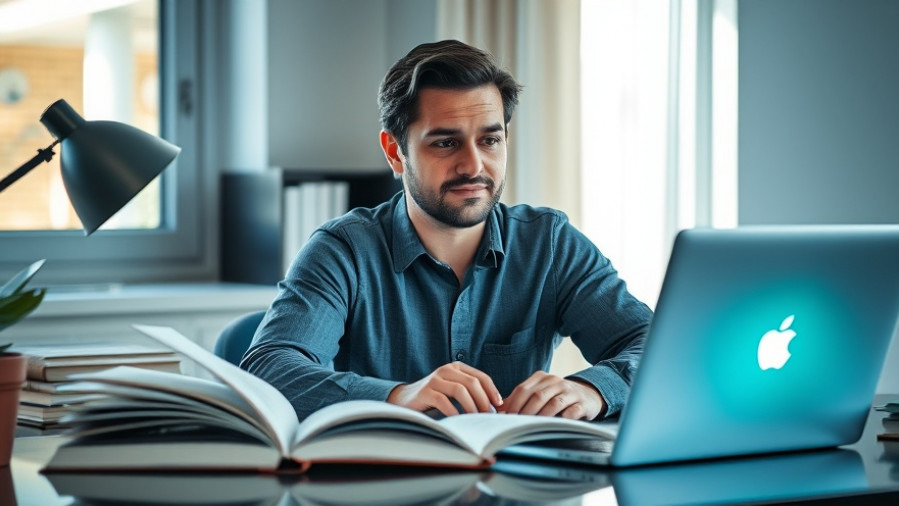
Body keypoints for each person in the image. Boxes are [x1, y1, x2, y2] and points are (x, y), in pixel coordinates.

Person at [241, 39, 652, 422]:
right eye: (445, 143)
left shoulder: (549, 244)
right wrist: (398, 396)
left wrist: (592, 390)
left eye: (489, 140)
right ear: (395, 152)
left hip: (511, 474)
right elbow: (270, 368)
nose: (473, 166)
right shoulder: (342, 251)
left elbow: (653, 345)